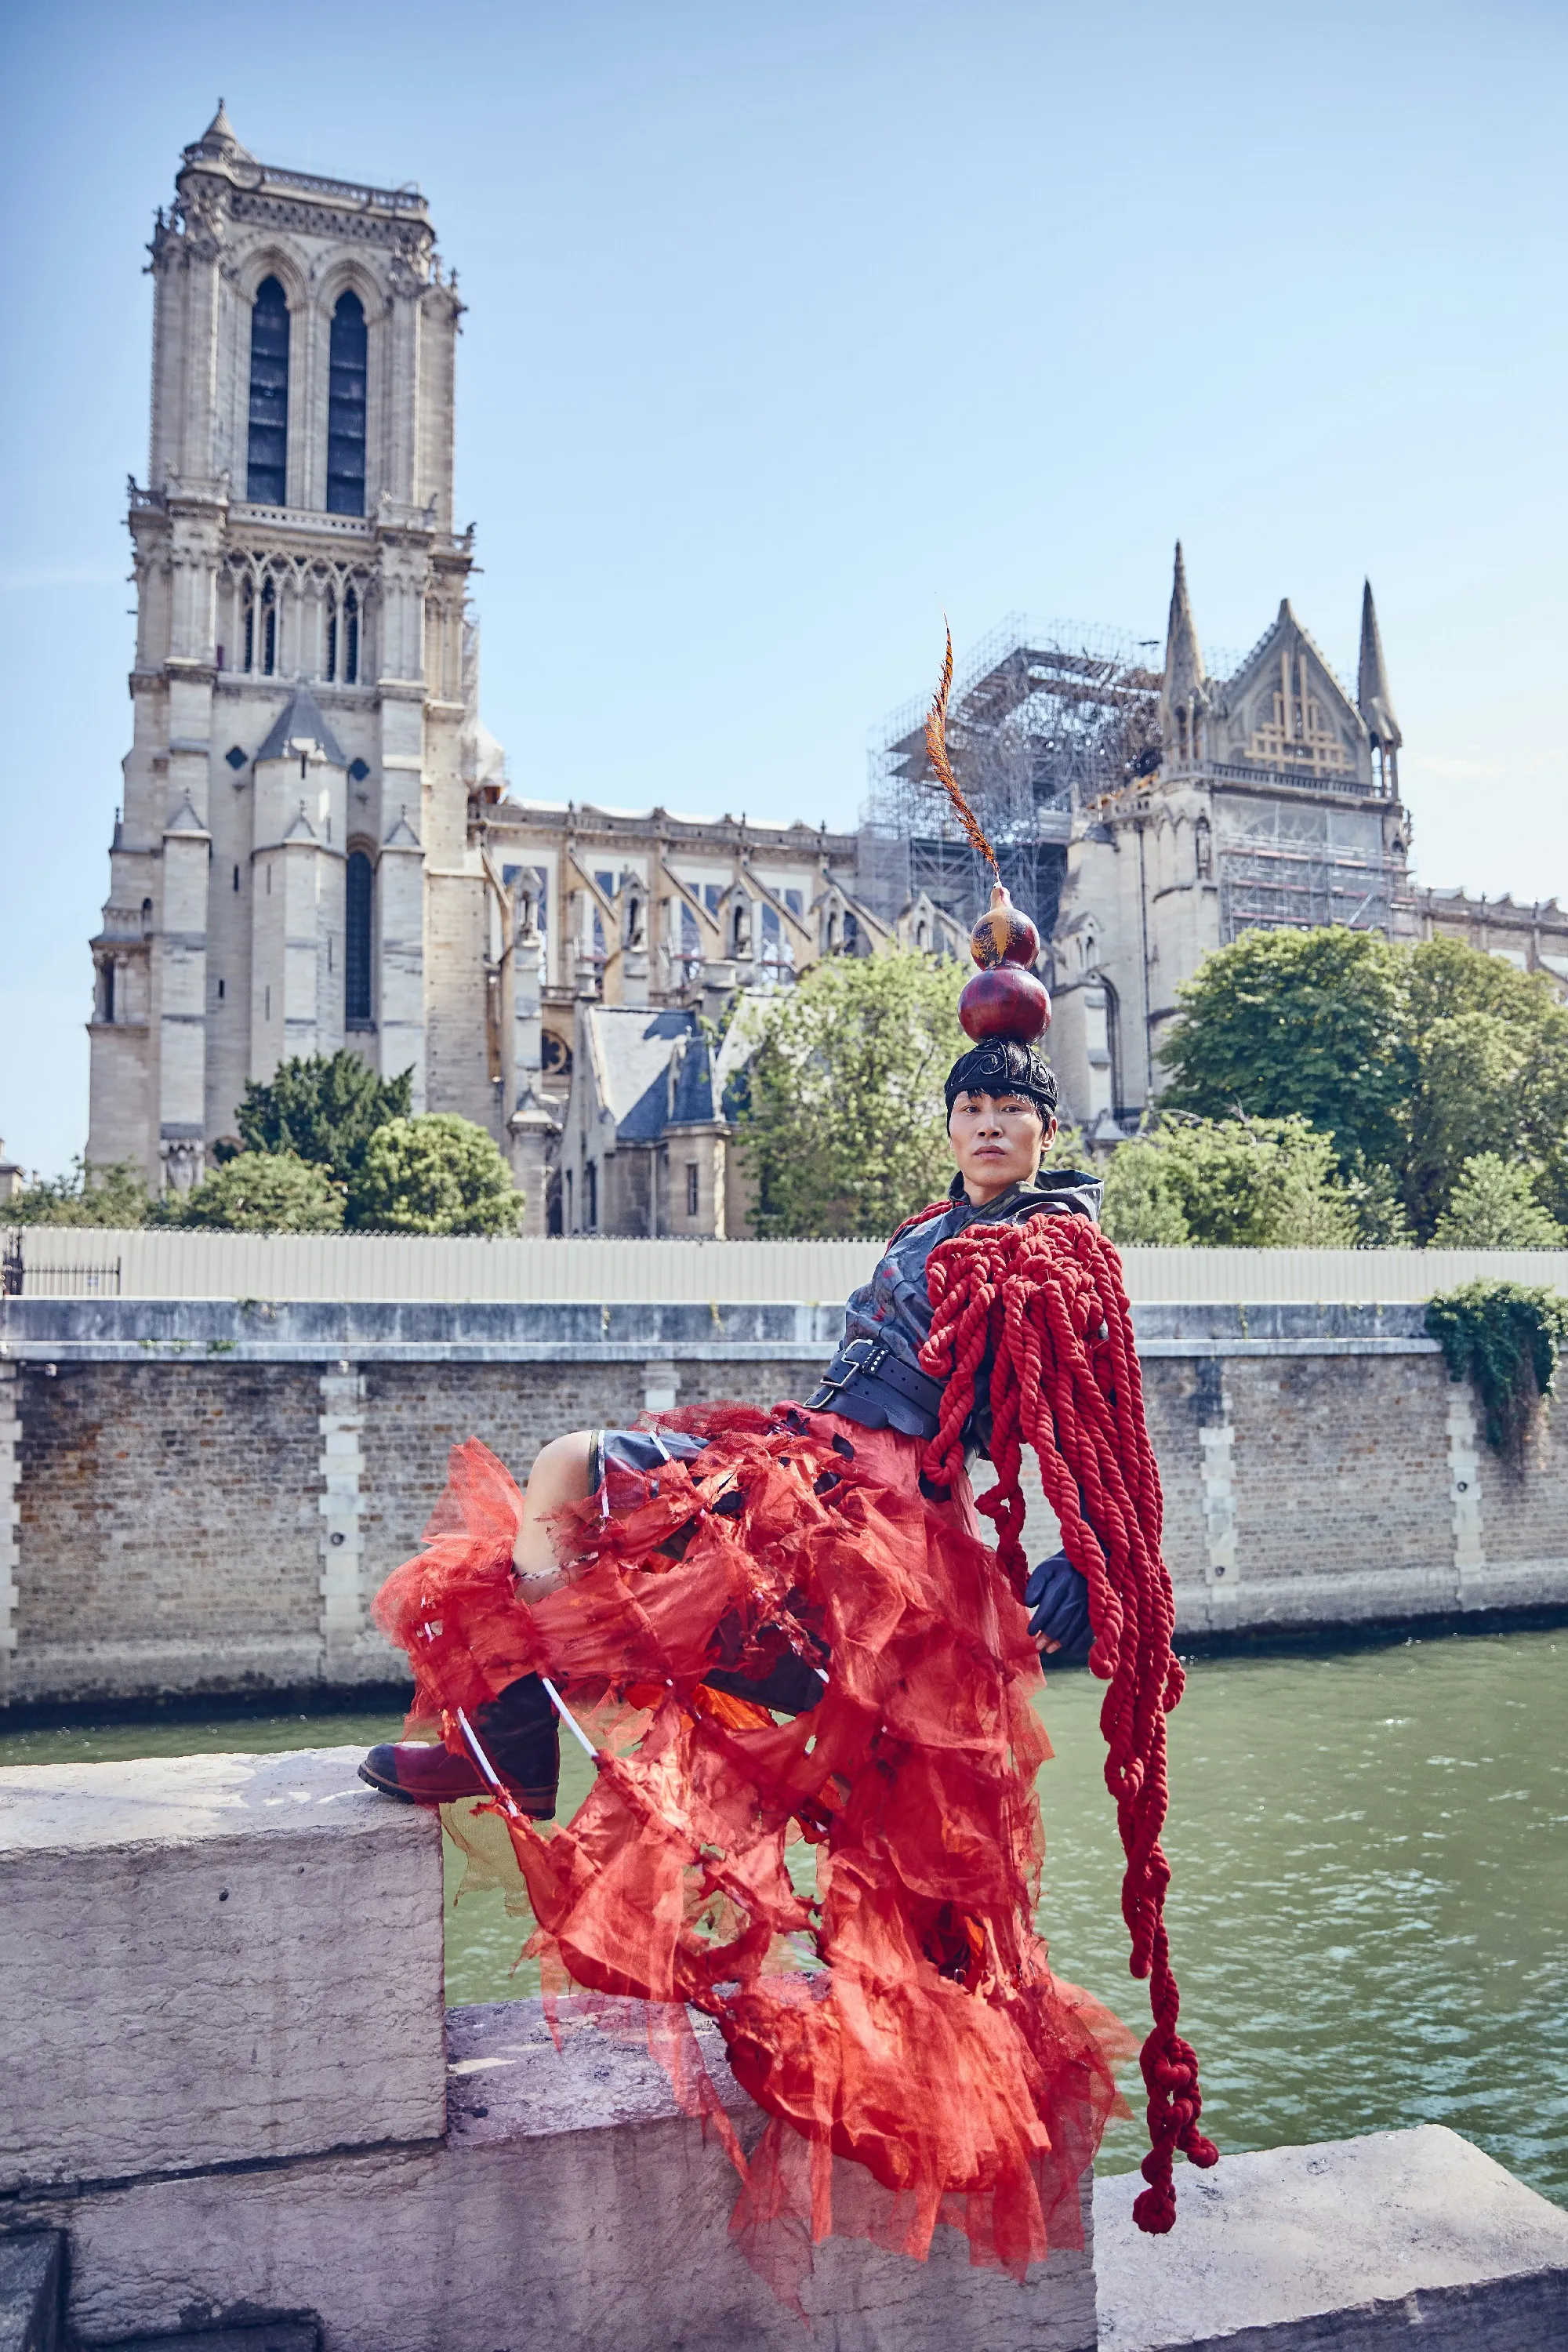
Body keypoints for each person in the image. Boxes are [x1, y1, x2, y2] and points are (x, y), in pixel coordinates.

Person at [359, 1033, 1095, 1815]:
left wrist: (1086, 1558)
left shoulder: (1053, 1252)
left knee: (880, 1765)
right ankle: (514, 1736)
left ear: (1045, 1132)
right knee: (568, 1470)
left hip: (885, 1511)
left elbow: (1087, 1409)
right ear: (948, 1127)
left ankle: (517, 1739)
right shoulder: (923, 1228)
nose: (988, 1125)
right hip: (813, 1461)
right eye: (970, 1108)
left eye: (1011, 1110)